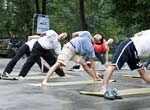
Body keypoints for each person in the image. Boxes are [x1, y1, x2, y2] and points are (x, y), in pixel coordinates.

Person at [100, 29, 150, 99]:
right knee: (114, 66)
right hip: (129, 44)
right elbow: (136, 35)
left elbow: (136, 34)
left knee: (143, 72)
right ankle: (103, 88)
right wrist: (138, 41)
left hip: (136, 52)